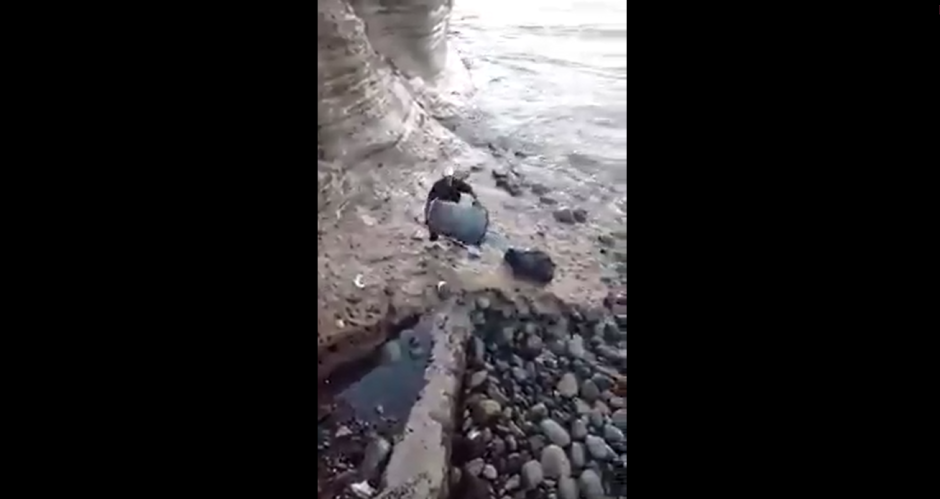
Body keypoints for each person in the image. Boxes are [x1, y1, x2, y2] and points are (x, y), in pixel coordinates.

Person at [424, 168, 479, 241]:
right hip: (442, 206)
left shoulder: (456, 183)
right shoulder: (437, 186)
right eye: (446, 178)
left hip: (455, 206)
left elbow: (469, 189)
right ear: (443, 178)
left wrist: (475, 198)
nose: (448, 180)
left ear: (452, 177)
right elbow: (429, 200)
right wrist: (426, 217)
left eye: (450, 178)